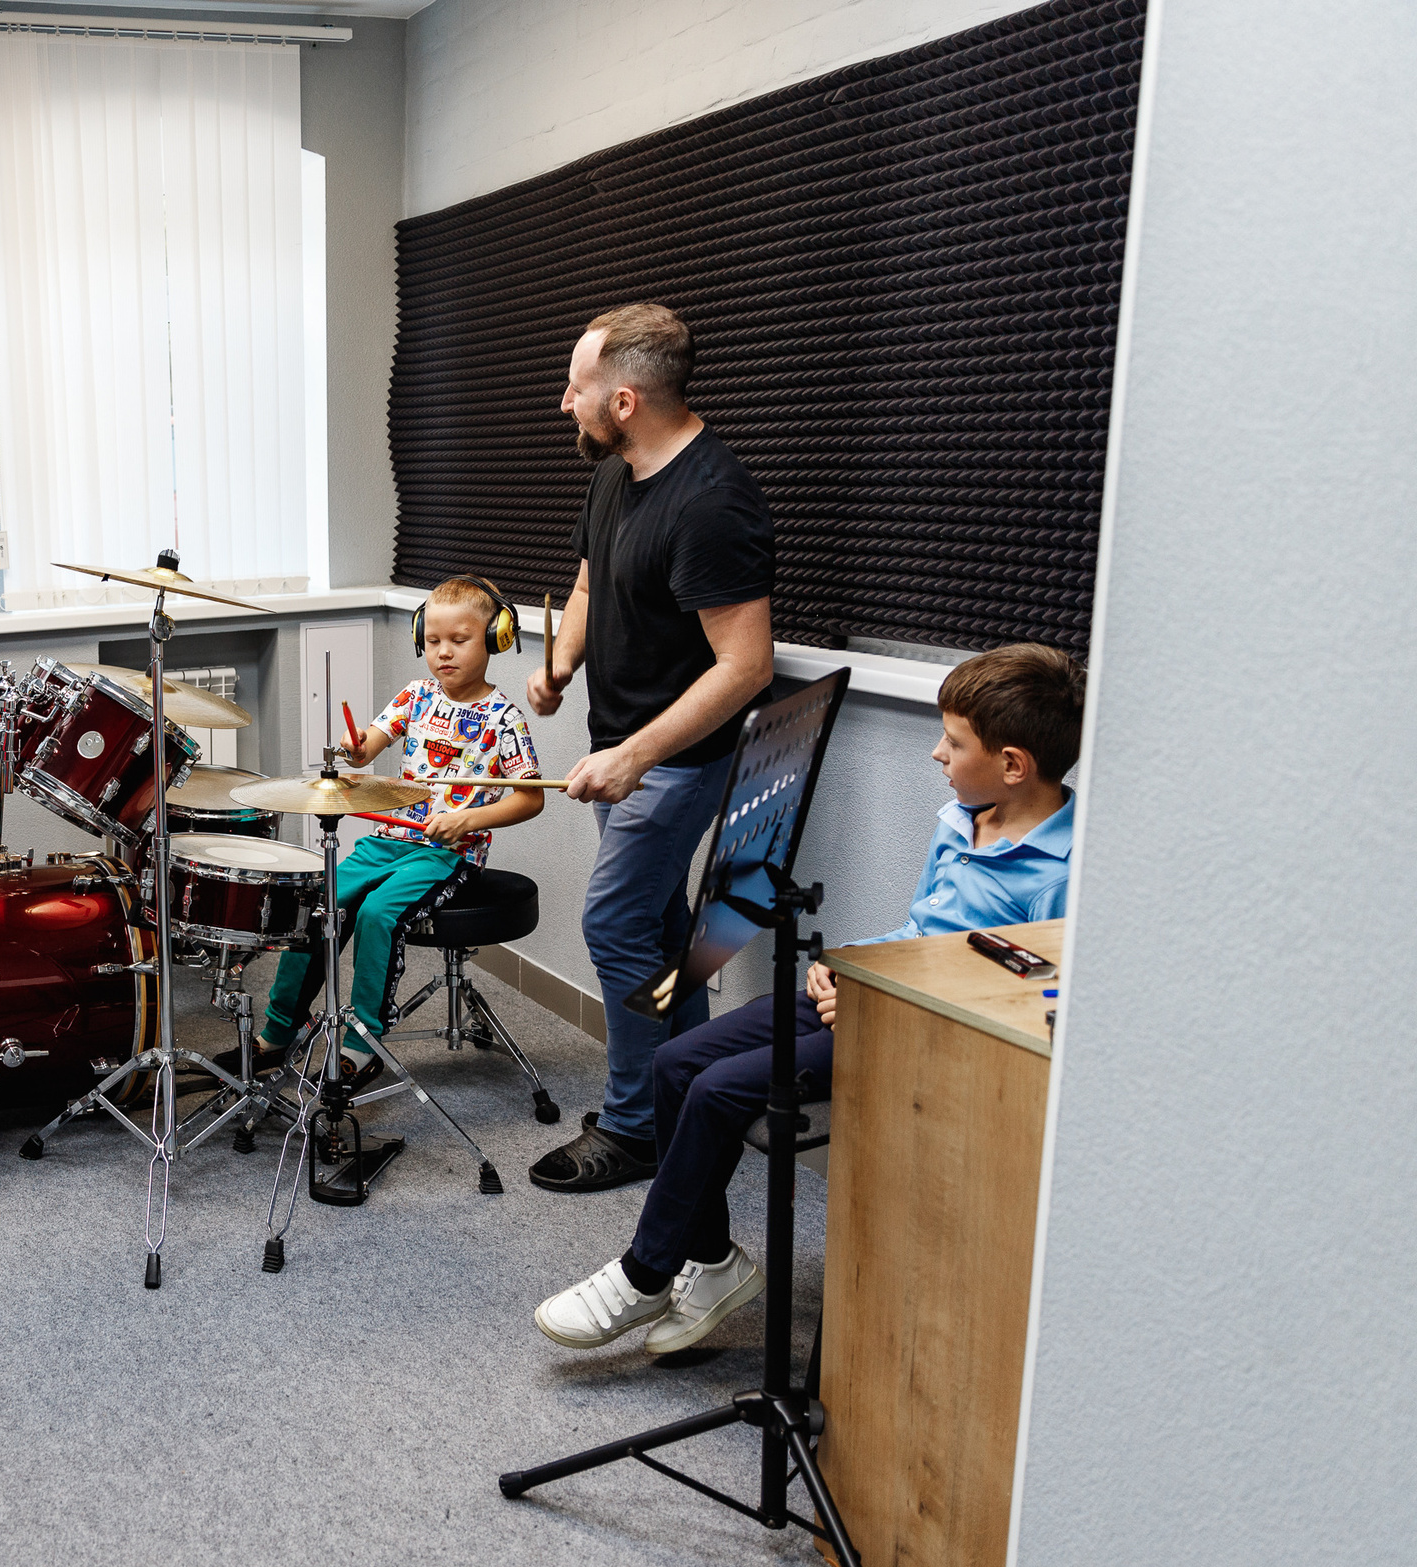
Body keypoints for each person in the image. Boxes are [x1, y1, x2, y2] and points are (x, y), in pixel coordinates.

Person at [534, 644, 1084, 1354]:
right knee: (674, 1061)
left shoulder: (1064, 873)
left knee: (717, 1091)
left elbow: (1026, 1001)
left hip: (922, 1029)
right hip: (870, 990)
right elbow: (921, 928)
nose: (936, 754)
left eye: (953, 741)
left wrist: (882, 995)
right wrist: (845, 962)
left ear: (1013, 764)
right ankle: (712, 1262)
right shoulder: (963, 817)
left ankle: (646, 1271)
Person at [520, 302, 778, 1196]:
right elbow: (594, 574)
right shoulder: (614, 472)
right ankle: (693, 1087)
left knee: (615, 923)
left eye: (577, 387)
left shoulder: (713, 500)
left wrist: (636, 755)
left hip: (676, 762)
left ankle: (634, 1125)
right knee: (663, 932)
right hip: (620, 751)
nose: (565, 404)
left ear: (625, 399)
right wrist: (560, 661)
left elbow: (745, 668)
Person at [218, 575, 543, 1087]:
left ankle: (361, 1043)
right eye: (433, 641)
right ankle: (277, 1034)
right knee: (321, 906)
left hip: (445, 854)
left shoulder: (504, 718)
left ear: (496, 637)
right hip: (387, 840)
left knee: (377, 913)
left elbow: (531, 796)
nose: (444, 653)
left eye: (459, 640)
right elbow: (370, 743)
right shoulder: (416, 696)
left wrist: (468, 819)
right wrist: (356, 748)